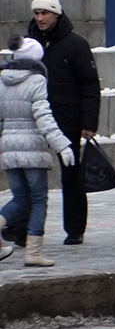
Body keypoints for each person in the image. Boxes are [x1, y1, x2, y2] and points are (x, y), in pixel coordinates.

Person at [2, 0, 100, 248]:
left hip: (66, 115)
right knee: (29, 181)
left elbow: (89, 86)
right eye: (36, 13)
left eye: (45, 13)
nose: (40, 18)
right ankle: (22, 231)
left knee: (71, 175)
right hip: (31, 119)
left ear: (56, 14)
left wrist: (88, 123)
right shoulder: (28, 44)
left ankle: (75, 229)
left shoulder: (76, 45)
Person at [0, 35, 76, 267]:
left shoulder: (2, 80)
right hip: (32, 148)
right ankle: (33, 253)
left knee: (20, 198)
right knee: (39, 199)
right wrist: (63, 144)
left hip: (9, 150)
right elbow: (44, 117)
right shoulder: (37, 81)